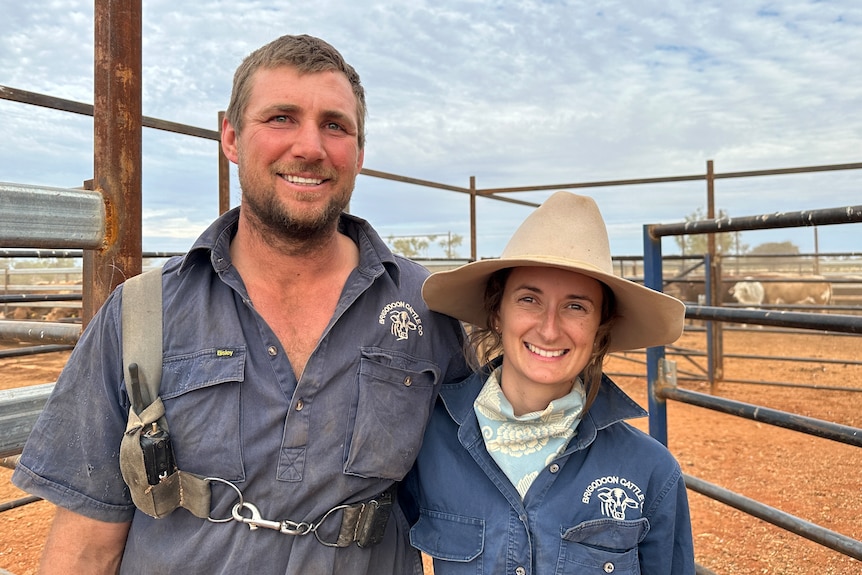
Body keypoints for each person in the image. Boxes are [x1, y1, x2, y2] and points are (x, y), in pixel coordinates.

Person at [13, 34, 469, 575]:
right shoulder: (139, 315)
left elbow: (475, 510)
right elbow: (86, 546)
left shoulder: (426, 313)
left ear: (359, 151)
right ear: (230, 136)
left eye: (335, 125)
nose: (309, 147)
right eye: (280, 117)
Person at [401, 191, 696, 574]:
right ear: (497, 313)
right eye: (529, 299)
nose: (550, 328)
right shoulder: (426, 442)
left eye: (576, 306)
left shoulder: (651, 471)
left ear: (600, 329)